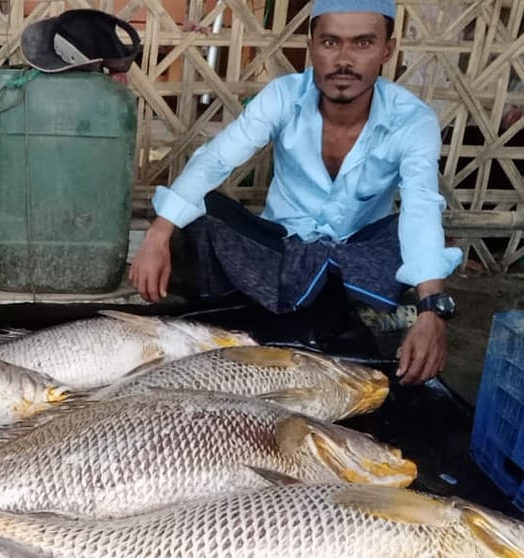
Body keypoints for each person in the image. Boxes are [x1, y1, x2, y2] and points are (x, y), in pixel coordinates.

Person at [128, 0, 462, 385]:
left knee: (414, 236)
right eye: (331, 43)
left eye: (363, 43)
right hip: (281, 248)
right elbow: (216, 159)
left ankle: (327, 302)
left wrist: (432, 311)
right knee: (202, 217)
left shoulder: (412, 119)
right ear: (312, 46)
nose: (344, 59)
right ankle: (355, 306)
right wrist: (158, 232)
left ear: (388, 49)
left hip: (354, 253)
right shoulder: (283, 96)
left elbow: (421, 203)